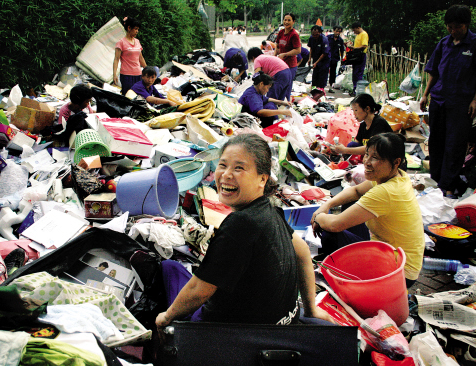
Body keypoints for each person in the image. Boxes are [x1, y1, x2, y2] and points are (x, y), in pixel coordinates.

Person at [155, 134, 334, 330]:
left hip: (231, 335)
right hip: (282, 326)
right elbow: (302, 251)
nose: (226, 175)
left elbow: (200, 290)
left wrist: (165, 318)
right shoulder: (269, 209)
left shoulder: (240, 224)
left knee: (168, 267)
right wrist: (310, 310)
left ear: (262, 179)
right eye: (223, 165)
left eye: (239, 168)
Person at [311, 133, 424, 287]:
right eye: (366, 155)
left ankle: (349, 283)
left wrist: (318, 216)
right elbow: (355, 191)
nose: (366, 162)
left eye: (375, 158)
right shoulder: (396, 176)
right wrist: (326, 206)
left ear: (396, 162)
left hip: (400, 272)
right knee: (350, 203)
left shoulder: (387, 191)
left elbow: (335, 224)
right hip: (386, 250)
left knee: (330, 234)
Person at [420, 5, 476, 199]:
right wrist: (425, 94)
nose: (452, 31)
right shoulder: (444, 43)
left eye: (456, 27)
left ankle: (449, 186)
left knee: (455, 144)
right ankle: (436, 180)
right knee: (436, 141)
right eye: (449, 27)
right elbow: (434, 72)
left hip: (461, 103)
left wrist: (475, 101)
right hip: (439, 99)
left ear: (465, 25)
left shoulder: (474, 44)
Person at [113, 17, 147, 95]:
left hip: (138, 74)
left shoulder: (137, 41)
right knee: (128, 96)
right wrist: (114, 74)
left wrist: (147, 69)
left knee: (138, 96)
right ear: (129, 28)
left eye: (138, 29)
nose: (137, 31)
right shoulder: (121, 42)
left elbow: (140, 57)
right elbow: (116, 59)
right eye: (135, 29)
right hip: (126, 76)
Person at [274, 13, 302, 81]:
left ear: (293, 21)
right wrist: (274, 57)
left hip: (290, 66)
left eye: (289, 20)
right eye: (285, 20)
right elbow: (277, 46)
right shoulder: (281, 32)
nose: (286, 22)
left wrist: (285, 54)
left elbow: (298, 50)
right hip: (280, 64)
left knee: (287, 85)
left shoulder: (294, 35)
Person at [307, 25, 331, 90]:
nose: (315, 36)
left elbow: (324, 53)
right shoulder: (311, 38)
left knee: (322, 78)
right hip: (315, 58)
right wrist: (310, 59)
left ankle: (321, 91)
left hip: (324, 61)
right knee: (315, 77)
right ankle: (314, 91)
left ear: (320, 32)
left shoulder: (324, 39)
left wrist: (316, 62)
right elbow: (311, 48)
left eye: (316, 35)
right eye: (313, 34)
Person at [350, 22, 369, 95]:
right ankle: (355, 89)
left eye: (354, 30)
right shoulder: (358, 35)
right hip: (356, 55)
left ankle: (358, 90)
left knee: (358, 73)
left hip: (361, 55)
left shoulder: (364, 34)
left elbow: (364, 45)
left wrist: (355, 48)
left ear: (358, 28)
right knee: (354, 73)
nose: (354, 32)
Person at [327, 26, 345, 93]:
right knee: (324, 71)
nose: (338, 33)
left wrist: (342, 59)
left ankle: (330, 87)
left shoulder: (340, 40)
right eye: (337, 31)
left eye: (339, 31)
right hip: (327, 57)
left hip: (335, 58)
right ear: (334, 30)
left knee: (333, 73)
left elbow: (342, 50)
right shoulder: (328, 38)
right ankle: (321, 87)